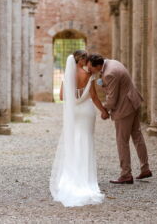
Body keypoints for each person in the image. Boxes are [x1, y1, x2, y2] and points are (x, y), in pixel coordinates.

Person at [50, 50, 106, 207]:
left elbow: (62, 97)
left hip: (74, 113)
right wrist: (104, 110)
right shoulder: (88, 75)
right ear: (80, 60)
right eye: (85, 58)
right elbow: (94, 97)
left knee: (75, 141)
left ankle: (73, 175)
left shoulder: (68, 75)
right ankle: (86, 177)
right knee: (86, 141)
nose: (87, 60)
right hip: (87, 112)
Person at [87, 54, 152, 184]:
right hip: (133, 101)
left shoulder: (109, 73)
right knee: (137, 136)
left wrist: (104, 110)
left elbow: (112, 98)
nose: (89, 70)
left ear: (98, 65)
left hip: (124, 108)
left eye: (90, 68)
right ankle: (145, 168)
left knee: (122, 141)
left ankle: (126, 174)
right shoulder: (112, 62)